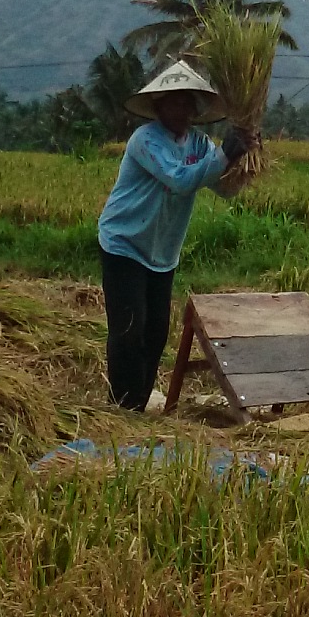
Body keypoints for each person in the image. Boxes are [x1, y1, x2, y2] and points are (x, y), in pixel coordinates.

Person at [95, 58, 245, 413]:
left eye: (187, 101)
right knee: (129, 329)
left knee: (156, 332)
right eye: (175, 101)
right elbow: (179, 180)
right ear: (159, 105)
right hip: (124, 244)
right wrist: (224, 154)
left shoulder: (199, 143)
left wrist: (243, 159)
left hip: (163, 252)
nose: (183, 108)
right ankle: (122, 407)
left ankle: (139, 404)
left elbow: (223, 188)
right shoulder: (146, 140)